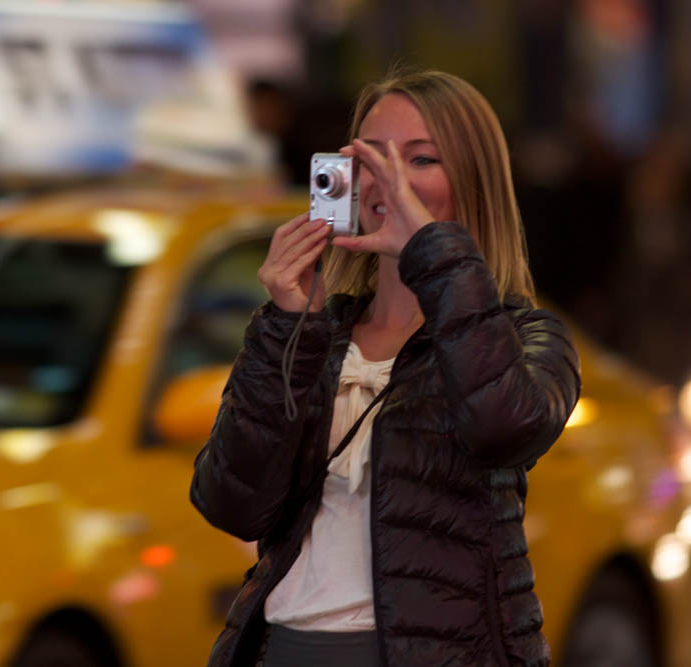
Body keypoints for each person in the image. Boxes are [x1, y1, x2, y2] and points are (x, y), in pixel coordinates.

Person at [190, 68, 581, 667]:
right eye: (371, 158)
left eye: (420, 160)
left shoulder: (525, 336)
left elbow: (503, 426)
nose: (390, 182)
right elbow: (231, 504)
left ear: (472, 182)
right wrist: (287, 326)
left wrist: (436, 254)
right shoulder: (316, 334)